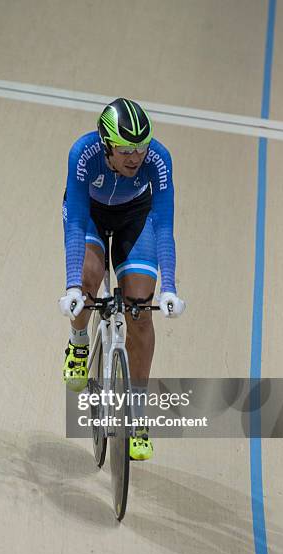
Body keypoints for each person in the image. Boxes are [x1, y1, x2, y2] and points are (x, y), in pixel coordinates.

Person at [59, 98, 185, 460]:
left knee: (141, 310)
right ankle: (79, 343)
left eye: (141, 148)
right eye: (127, 149)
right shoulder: (83, 154)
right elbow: (76, 222)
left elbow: (163, 226)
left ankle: (138, 415)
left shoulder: (158, 160)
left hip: (136, 217)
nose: (136, 157)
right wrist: (72, 286)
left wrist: (171, 287)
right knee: (88, 279)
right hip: (91, 215)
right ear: (106, 144)